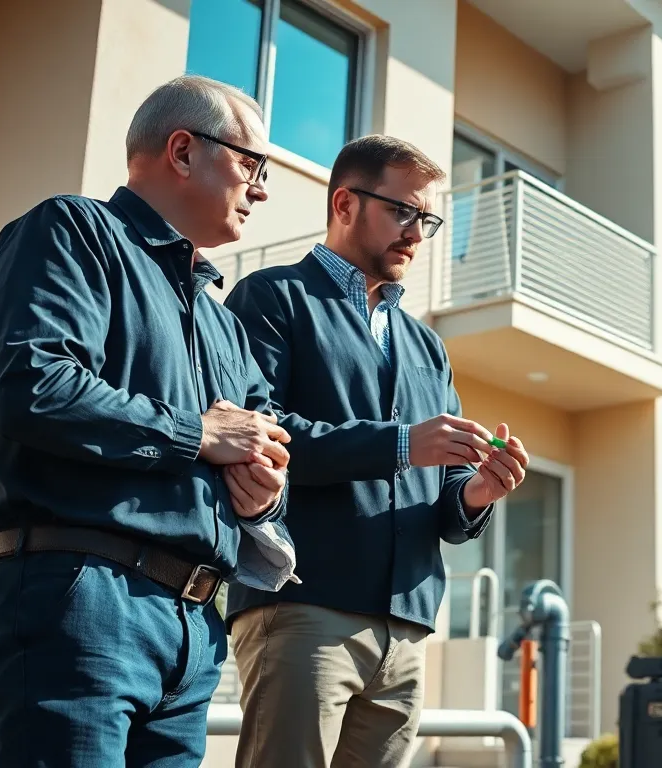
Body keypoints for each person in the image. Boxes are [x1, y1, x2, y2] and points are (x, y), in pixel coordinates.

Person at [0, 75, 293, 767]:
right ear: (182, 150)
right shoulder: (72, 232)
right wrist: (198, 435)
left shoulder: (226, 326)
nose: (262, 190)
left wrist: (265, 492)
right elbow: (33, 385)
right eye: (254, 165)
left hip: (193, 629)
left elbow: (266, 441)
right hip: (76, 599)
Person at [221, 134, 530, 768]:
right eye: (403, 212)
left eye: (428, 219)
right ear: (344, 203)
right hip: (305, 606)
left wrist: (478, 492)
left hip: (407, 628)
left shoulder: (427, 346)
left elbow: (445, 501)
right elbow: (261, 435)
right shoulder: (271, 298)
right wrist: (402, 444)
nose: (417, 233)